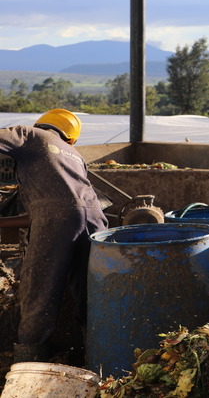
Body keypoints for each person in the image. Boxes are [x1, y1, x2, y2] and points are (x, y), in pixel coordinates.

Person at [0, 109, 108, 363]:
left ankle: (28, 364)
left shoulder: (32, 135)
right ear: (70, 137)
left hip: (58, 219)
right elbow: (62, 208)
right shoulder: (75, 155)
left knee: (39, 289)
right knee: (90, 293)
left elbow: (55, 212)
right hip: (96, 219)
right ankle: (97, 359)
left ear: (42, 124)